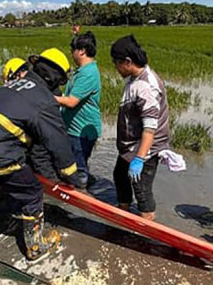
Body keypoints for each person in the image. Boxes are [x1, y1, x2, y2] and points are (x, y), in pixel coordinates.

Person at [0, 48, 84, 261]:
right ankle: (34, 247)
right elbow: (57, 142)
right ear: (54, 78)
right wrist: (70, 176)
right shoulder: (44, 99)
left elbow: (35, 147)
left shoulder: (14, 85)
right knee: (32, 190)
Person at [110, 35, 170, 222]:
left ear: (127, 62)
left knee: (142, 190)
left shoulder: (146, 86)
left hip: (144, 148)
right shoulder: (135, 78)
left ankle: (147, 225)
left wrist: (139, 159)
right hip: (130, 147)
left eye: (116, 63)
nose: (115, 67)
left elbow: (150, 128)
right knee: (120, 176)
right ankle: (123, 213)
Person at [55, 31, 101, 189]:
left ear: (81, 51)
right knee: (75, 164)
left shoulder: (88, 73)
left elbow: (71, 101)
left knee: (79, 171)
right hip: (75, 129)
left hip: (81, 131)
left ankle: (81, 197)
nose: (71, 54)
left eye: (72, 50)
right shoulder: (81, 71)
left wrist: (47, 97)